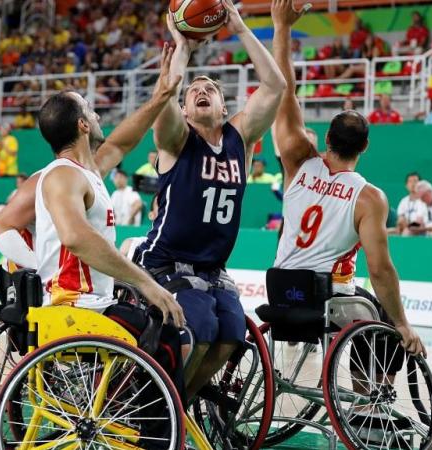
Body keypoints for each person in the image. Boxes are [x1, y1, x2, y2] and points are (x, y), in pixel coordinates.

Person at [134, 0, 286, 401]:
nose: (201, 91)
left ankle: (180, 403)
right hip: (164, 261)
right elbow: (162, 103)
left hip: (213, 268)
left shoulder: (241, 139)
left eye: (210, 90)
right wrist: (181, 51)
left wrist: (238, 27)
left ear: (224, 107)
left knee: (232, 336)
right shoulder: (176, 139)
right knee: (198, 332)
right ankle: (155, 410)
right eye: (193, 91)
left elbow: (276, 87)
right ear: (185, 109)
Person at [269, 0, 425, 380]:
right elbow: (380, 270)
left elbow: (284, 91)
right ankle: (365, 400)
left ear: (325, 139)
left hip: (280, 288)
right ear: (366, 147)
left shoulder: (297, 161)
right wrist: (402, 322)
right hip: (326, 298)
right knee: (386, 321)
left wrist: (282, 28)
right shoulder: (369, 197)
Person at [33, 44, 186, 419]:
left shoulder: (88, 170)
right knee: (166, 336)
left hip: (91, 303)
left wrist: (162, 96)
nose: (97, 113)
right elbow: (76, 237)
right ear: (83, 125)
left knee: (162, 324)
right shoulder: (63, 175)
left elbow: (122, 141)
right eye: (90, 109)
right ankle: (154, 437)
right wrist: (146, 281)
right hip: (72, 308)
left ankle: (146, 423)